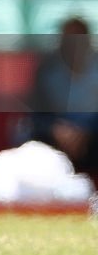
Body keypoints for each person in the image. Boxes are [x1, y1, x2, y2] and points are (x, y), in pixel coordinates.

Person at [25, 16, 98, 173]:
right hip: (54, 137)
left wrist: (86, 131)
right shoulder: (46, 70)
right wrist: (56, 128)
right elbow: (36, 115)